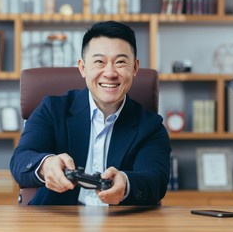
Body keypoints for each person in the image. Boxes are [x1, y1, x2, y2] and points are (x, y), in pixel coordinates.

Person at [10, 21, 171, 206]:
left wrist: (126, 184)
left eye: (120, 62)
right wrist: (46, 166)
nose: (110, 73)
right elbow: (20, 160)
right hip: (58, 221)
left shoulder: (150, 126)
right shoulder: (52, 109)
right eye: (99, 62)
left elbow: (156, 180)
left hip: (121, 224)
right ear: (82, 68)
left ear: (134, 68)